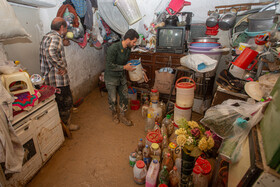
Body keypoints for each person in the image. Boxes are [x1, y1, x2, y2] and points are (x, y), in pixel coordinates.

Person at [39, 17, 79, 131]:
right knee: (66, 102)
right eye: (66, 28)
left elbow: (50, 51)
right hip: (58, 79)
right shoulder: (55, 38)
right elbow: (51, 53)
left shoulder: (47, 37)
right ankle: (66, 126)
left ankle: (60, 125)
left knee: (58, 102)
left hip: (50, 78)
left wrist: (63, 41)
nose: (66, 30)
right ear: (61, 28)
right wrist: (61, 66)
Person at [105, 29, 139, 126]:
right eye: (134, 42)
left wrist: (137, 68)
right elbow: (109, 66)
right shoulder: (113, 48)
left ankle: (123, 115)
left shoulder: (128, 49)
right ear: (128, 39)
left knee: (124, 96)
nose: (134, 44)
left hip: (121, 76)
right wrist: (124, 67)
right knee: (113, 99)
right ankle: (114, 114)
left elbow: (125, 63)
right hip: (111, 78)